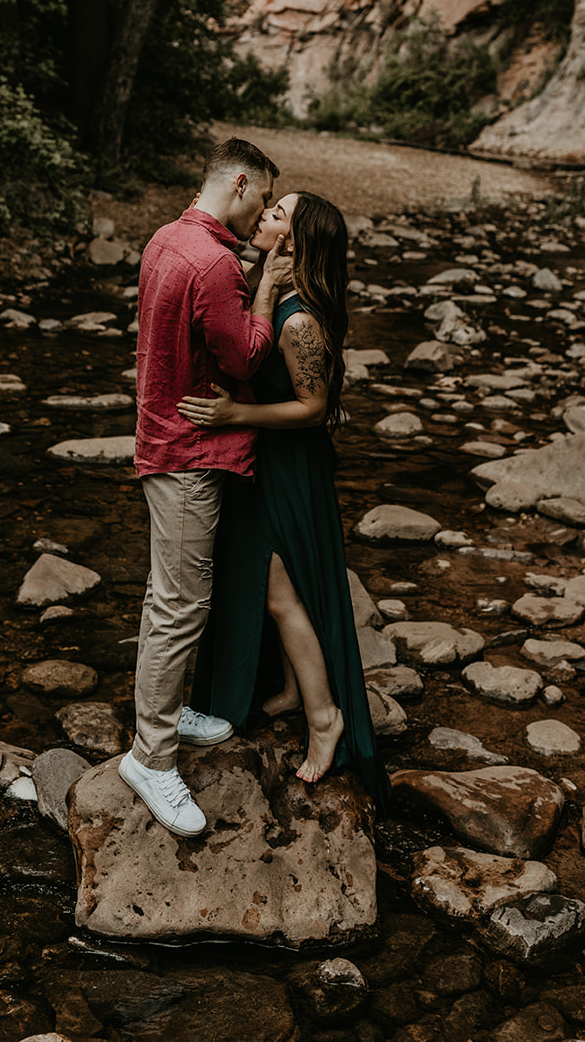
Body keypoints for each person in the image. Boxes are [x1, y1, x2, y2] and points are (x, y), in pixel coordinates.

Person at [178, 191, 390, 812]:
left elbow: (314, 407)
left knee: (279, 591)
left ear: (293, 241)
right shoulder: (269, 284)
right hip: (263, 460)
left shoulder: (301, 321)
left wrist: (233, 413)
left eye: (277, 214)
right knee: (278, 583)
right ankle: (296, 691)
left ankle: (326, 718)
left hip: (287, 466)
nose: (263, 215)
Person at [120, 137, 292, 839]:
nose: (262, 219)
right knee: (178, 603)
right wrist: (271, 285)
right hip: (189, 453)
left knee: (170, 594)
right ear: (244, 184)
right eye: (265, 201)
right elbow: (245, 355)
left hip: (159, 434)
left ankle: (164, 716)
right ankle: (150, 757)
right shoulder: (217, 262)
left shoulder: (167, 237)